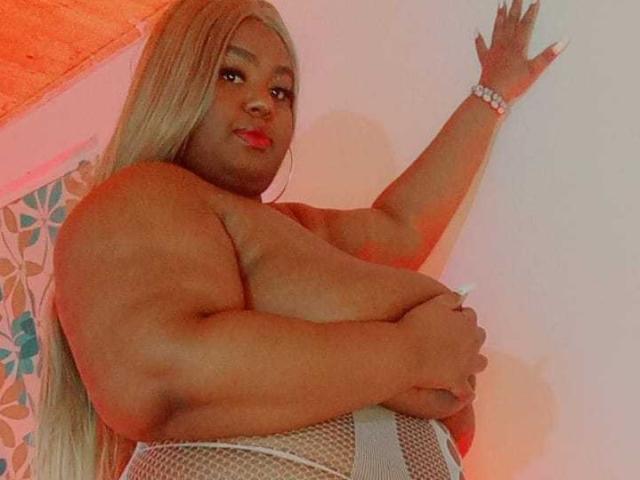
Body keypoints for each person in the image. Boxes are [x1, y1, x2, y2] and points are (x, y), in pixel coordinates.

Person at [34, 0, 565, 479]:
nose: (262, 103)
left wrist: (492, 94)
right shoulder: (139, 197)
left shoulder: (289, 230)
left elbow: (401, 224)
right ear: (176, 83)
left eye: (280, 90)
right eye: (232, 74)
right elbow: (159, 377)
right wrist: (412, 354)